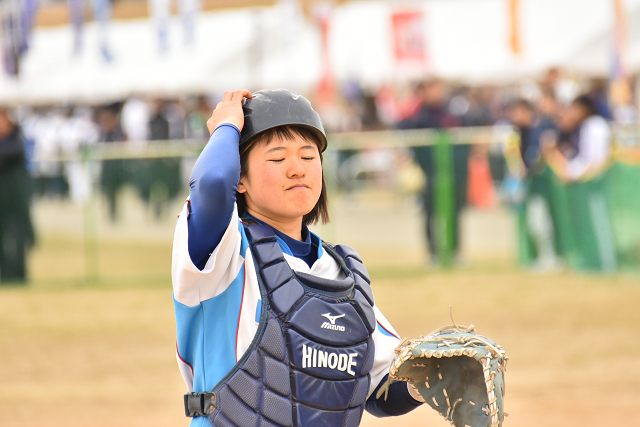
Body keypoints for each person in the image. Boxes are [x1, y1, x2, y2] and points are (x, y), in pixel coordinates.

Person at [172, 89, 425, 427]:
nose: (297, 169)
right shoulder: (223, 251)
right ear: (241, 178)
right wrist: (227, 126)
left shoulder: (342, 274)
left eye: (308, 157)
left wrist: (430, 377)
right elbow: (213, 183)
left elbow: (379, 388)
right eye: (277, 159)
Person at [397, 79, 467, 265]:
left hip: (452, 172)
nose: (436, 93)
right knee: (429, 213)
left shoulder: (452, 111)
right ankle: (433, 253)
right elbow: (402, 127)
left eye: (438, 88)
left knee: (454, 213)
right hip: (428, 171)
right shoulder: (419, 115)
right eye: (431, 89)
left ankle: (455, 252)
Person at [0, 108, 35, 284]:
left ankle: (19, 275)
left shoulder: (15, 141)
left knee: (18, 239)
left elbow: (13, 153)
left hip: (15, 202)